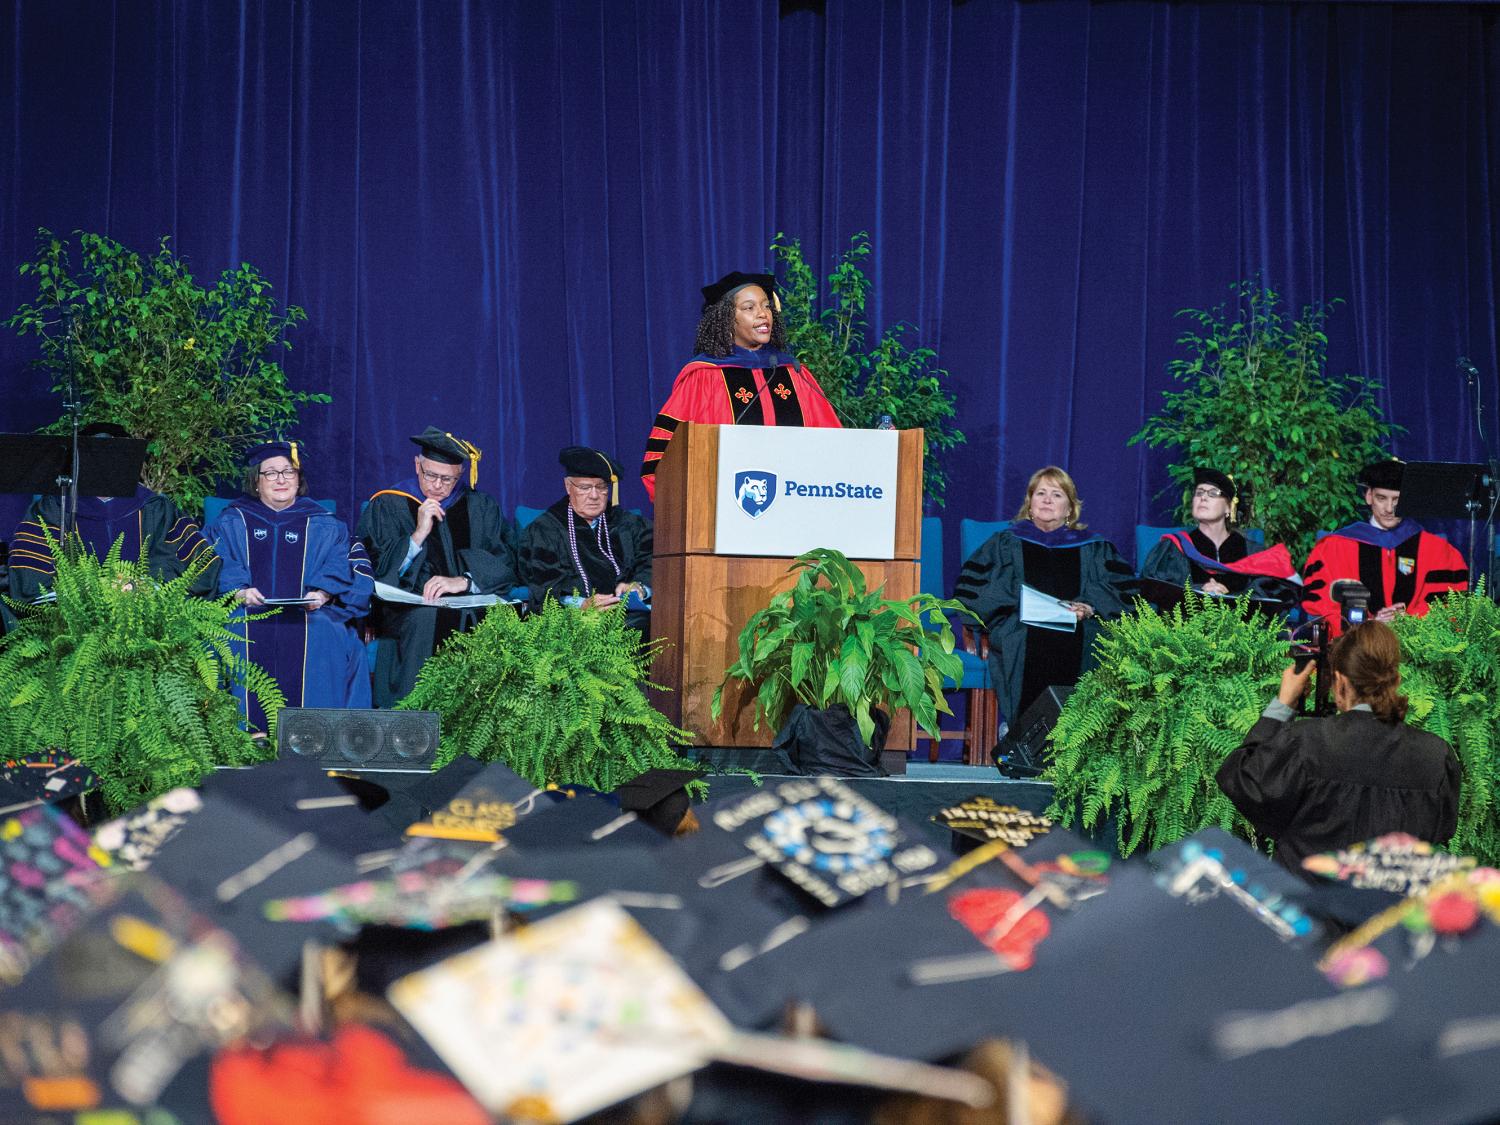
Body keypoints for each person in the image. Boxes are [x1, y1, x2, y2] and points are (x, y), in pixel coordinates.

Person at [1216, 620, 1460, 874]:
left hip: (1306, 907)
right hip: (1392, 910)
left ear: (1340, 682)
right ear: (1396, 680)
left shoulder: (1305, 743)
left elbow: (1243, 782)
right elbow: (1440, 831)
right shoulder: (1436, 756)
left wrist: (1283, 704)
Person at [209, 442, 374, 729]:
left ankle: (319, 736)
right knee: (235, 631)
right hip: (247, 610)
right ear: (256, 482)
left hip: (312, 614)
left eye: (289, 471)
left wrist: (323, 593)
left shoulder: (326, 523)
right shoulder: (232, 520)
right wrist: (240, 591)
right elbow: (213, 560)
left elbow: (349, 564)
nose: (281, 479)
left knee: (327, 632)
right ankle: (242, 736)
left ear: (299, 479)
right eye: (271, 473)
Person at [954, 467, 1133, 726]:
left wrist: (1089, 607)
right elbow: (974, 589)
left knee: (1090, 641)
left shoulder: (1094, 546)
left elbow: (1121, 592)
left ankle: (1077, 735)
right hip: (1022, 626)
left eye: (1057, 494)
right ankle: (1022, 732)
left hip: (1078, 625)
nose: (1047, 500)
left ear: (1070, 508)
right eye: (1041, 493)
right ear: (1030, 503)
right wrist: (1020, 600)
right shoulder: (1006, 542)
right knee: (1023, 638)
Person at [640, 271, 841, 500]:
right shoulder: (704, 377)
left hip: (795, 506)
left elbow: (832, 442)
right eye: (749, 308)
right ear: (727, 318)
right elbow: (663, 458)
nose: (763, 314)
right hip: (720, 511)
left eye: (766, 306)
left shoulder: (793, 374)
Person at [356, 427, 518, 706]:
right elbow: (375, 567)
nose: (438, 486)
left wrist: (465, 581)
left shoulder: (480, 506)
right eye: (431, 475)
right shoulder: (389, 503)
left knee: (499, 622)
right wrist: (417, 535)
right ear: (417, 465)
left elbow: (506, 557)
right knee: (425, 619)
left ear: (460, 475)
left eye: (448, 479)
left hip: (470, 604)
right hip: (409, 610)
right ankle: (412, 727)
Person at [9, 422, 219, 601]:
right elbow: (31, 570)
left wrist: (140, 585)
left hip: (143, 618)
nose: (102, 463)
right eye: (93, 455)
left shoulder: (153, 507)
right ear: (78, 461)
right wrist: (77, 590)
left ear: (126, 461)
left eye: (111, 455)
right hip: (74, 623)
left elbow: (185, 562)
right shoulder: (56, 505)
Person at [1301, 459, 1468, 636]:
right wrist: (1368, 624)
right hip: (1356, 651)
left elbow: (1450, 606)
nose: (1389, 508)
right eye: (1382, 498)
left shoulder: (1437, 550)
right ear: (1369, 496)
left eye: (1397, 500)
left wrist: (1409, 620)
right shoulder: (1334, 547)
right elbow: (1319, 606)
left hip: (1416, 649)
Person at [519, 446, 653, 630]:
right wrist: (582, 604)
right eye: (584, 487)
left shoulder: (629, 525)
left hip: (631, 617)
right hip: (572, 620)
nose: (594, 495)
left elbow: (653, 563)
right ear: (568, 486)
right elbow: (545, 589)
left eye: (601, 487)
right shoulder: (545, 530)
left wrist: (639, 587)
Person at [1139, 468, 1301, 607]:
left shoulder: (1254, 552)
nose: (1203, 497)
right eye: (1199, 493)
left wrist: (1231, 596)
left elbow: (1273, 596)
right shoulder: (1173, 548)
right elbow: (1157, 590)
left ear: (1229, 507)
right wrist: (1201, 590)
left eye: (1213, 493)